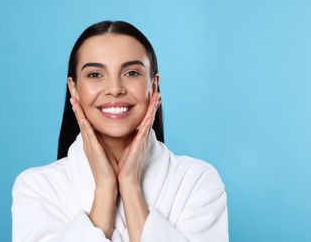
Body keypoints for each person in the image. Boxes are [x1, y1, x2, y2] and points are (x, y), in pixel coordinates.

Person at [12, 21, 228, 242]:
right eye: (95, 75)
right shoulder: (36, 188)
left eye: (132, 72)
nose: (115, 89)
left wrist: (131, 186)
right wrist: (105, 189)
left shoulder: (197, 181)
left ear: (153, 85)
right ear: (74, 89)